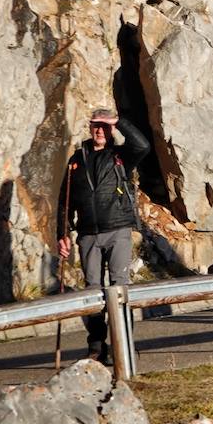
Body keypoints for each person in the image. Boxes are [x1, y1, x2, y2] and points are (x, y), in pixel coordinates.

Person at [57, 107, 151, 362]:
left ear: (111, 130)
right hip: (88, 234)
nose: (100, 130)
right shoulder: (77, 159)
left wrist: (119, 121)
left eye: (105, 126)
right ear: (89, 128)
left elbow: (143, 145)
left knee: (119, 288)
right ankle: (97, 347)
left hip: (118, 229)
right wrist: (62, 234)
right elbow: (64, 201)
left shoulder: (121, 155)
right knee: (92, 291)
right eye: (96, 125)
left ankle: (124, 344)